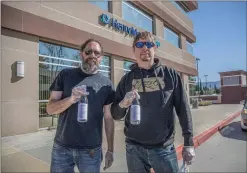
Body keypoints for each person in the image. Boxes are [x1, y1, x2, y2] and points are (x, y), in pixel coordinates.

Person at [111, 31, 196, 173]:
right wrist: (122, 104)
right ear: (134, 50)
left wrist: (189, 143)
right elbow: (115, 114)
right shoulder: (127, 80)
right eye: (139, 44)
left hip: (163, 149)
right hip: (134, 150)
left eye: (149, 44)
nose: (144, 48)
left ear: (154, 48)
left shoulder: (170, 75)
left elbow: (183, 109)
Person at [47, 39, 115, 173]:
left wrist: (111, 150)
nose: (92, 55)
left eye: (97, 53)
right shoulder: (65, 75)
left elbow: (108, 117)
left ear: (101, 57)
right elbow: (50, 109)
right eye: (88, 52)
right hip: (62, 148)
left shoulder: (106, 84)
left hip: (91, 151)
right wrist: (71, 99)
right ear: (81, 54)